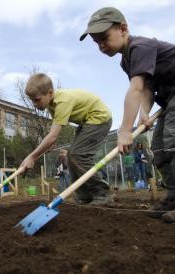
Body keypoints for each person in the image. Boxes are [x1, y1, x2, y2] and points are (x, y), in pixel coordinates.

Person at [79, 7, 175, 221]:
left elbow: (136, 89)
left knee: (171, 141)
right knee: (159, 147)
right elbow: (147, 88)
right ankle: (173, 196)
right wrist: (144, 113)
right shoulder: (126, 60)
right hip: (169, 101)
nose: (101, 45)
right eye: (97, 43)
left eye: (104, 38)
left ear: (123, 29)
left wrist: (125, 130)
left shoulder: (141, 47)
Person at [20, 73, 113, 205]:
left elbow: (52, 136)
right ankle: (84, 195)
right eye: (32, 100)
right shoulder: (51, 105)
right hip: (86, 122)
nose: (34, 104)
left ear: (50, 92)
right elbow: (55, 129)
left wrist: (32, 157)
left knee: (78, 155)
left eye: (37, 100)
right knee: (70, 157)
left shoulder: (62, 101)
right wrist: (53, 141)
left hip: (100, 118)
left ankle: (102, 193)